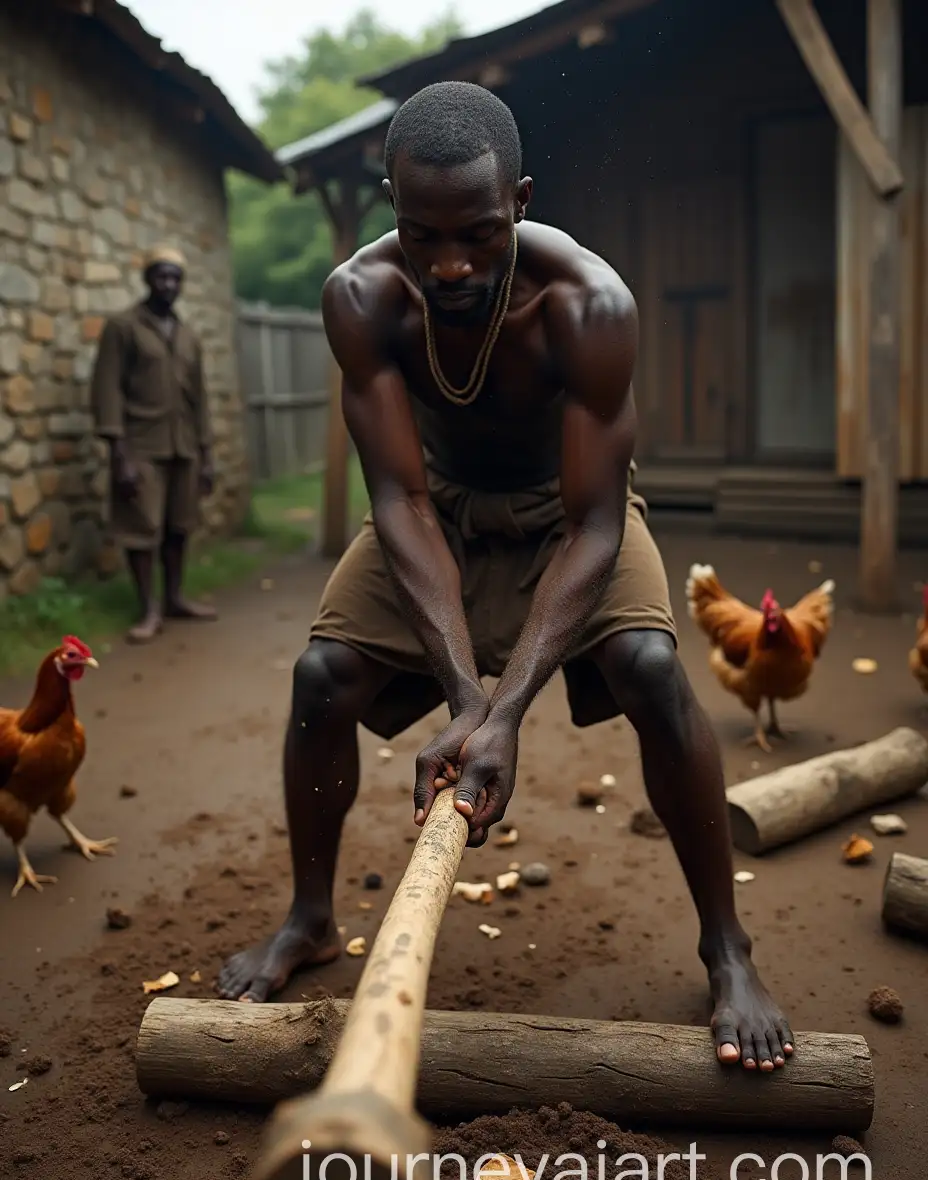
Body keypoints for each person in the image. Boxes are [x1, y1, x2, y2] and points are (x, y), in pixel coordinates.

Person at [218, 81, 794, 1074]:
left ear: (520, 203)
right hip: (433, 509)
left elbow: (596, 522)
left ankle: (727, 946)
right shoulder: (361, 298)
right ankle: (310, 918)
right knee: (321, 678)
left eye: (479, 234)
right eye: (422, 234)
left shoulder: (589, 305)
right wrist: (464, 696)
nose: (449, 264)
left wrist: (507, 708)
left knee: (652, 668)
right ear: (393, 208)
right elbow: (399, 499)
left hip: (565, 516)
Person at [90, 245, 217, 643]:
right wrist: (119, 454)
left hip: (184, 445)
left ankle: (175, 597)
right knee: (142, 528)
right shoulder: (123, 327)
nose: (168, 284)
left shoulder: (188, 336)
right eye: (161, 276)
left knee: (180, 525)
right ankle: (148, 609)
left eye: (175, 278)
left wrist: (207, 454)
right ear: (147, 279)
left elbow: (200, 398)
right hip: (140, 445)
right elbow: (107, 389)